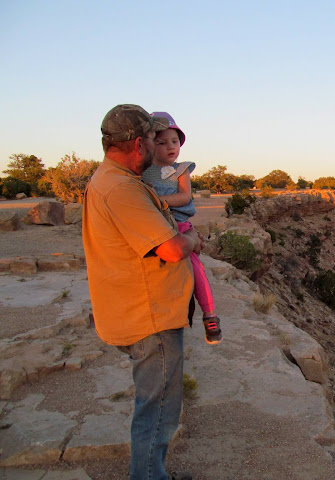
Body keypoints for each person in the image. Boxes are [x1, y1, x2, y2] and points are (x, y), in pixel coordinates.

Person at [82, 104, 203, 480]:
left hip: (134, 308)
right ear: (139, 143)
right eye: (154, 137)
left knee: (153, 404)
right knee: (158, 409)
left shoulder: (108, 179)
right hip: (149, 316)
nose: (158, 144)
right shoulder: (121, 188)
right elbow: (169, 248)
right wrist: (194, 239)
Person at [141, 111, 221, 345]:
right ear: (148, 144)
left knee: (196, 270)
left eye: (174, 141)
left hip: (180, 226)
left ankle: (210, 314)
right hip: (155, 228)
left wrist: (158, 200)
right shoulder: (142, 172)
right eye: (162, 142)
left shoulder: (181, 169)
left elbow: (185, 196)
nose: (170, 147)